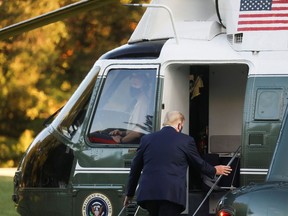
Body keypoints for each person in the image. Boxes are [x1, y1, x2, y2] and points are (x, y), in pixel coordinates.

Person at [123, 111, 232, 216]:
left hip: (149, 194)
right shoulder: (186, 140)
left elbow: (135, 167)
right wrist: (214, 170)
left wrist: (129, 194)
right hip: (171, 194)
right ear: (179, 125)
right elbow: (198, 163)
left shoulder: (147, 139)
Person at [109, 72, 150, 144]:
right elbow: (134, 130)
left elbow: (137, 132)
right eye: (133, 78)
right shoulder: (138, 101)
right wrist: (121, 133)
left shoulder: (142, 103)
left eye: (138, 79)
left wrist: (121, 141)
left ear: (145, 84)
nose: (134, 81)